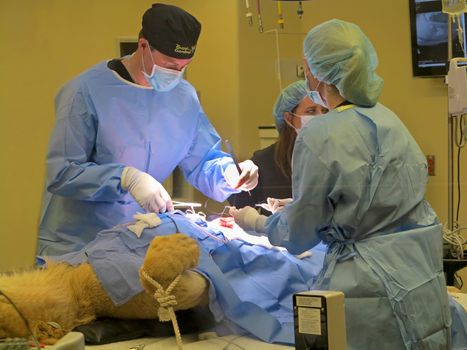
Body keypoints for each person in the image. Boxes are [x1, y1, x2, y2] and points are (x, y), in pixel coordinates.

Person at [230, 19, 452, 349]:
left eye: (306, 66)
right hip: (420, 281)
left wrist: (256, 222)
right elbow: (375, 196)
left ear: (317, 73)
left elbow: (300, 233)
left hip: (370, 295)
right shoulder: (389, 120)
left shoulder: (320, 134)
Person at [38, 3, 258, 256]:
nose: (177, 73)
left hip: (140, 241)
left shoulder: (183, 98)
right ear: (143, 46)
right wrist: (126, 178)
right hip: (79, 244)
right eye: (170, 64)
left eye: (184, 66)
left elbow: (201, 161)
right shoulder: (85, 92)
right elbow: (63, 172)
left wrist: (230, 173)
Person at [227, 80, 327, 215]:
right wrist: (232, 178)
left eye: (325, 110)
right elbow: (238, 206)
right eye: (311, 111)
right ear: (289, 118)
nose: (321, 116)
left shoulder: (335, 157)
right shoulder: (264, 162)